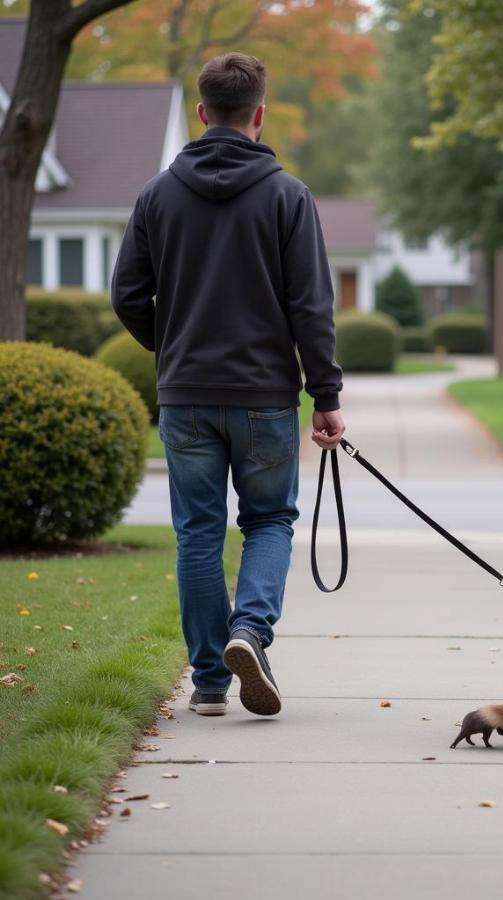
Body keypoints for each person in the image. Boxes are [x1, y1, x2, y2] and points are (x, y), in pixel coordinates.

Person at [111, 52, 345, 718]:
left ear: (203, 113)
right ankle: (251, 631)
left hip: (185, 395)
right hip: (266, 395)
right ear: (259, 115)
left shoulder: (157, 194)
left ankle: (210, 683)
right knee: (269, 520)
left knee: (198, 534)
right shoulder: (288, 196)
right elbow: (312, 307)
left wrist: (175, 343)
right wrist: (325, 398)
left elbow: (128, 294)